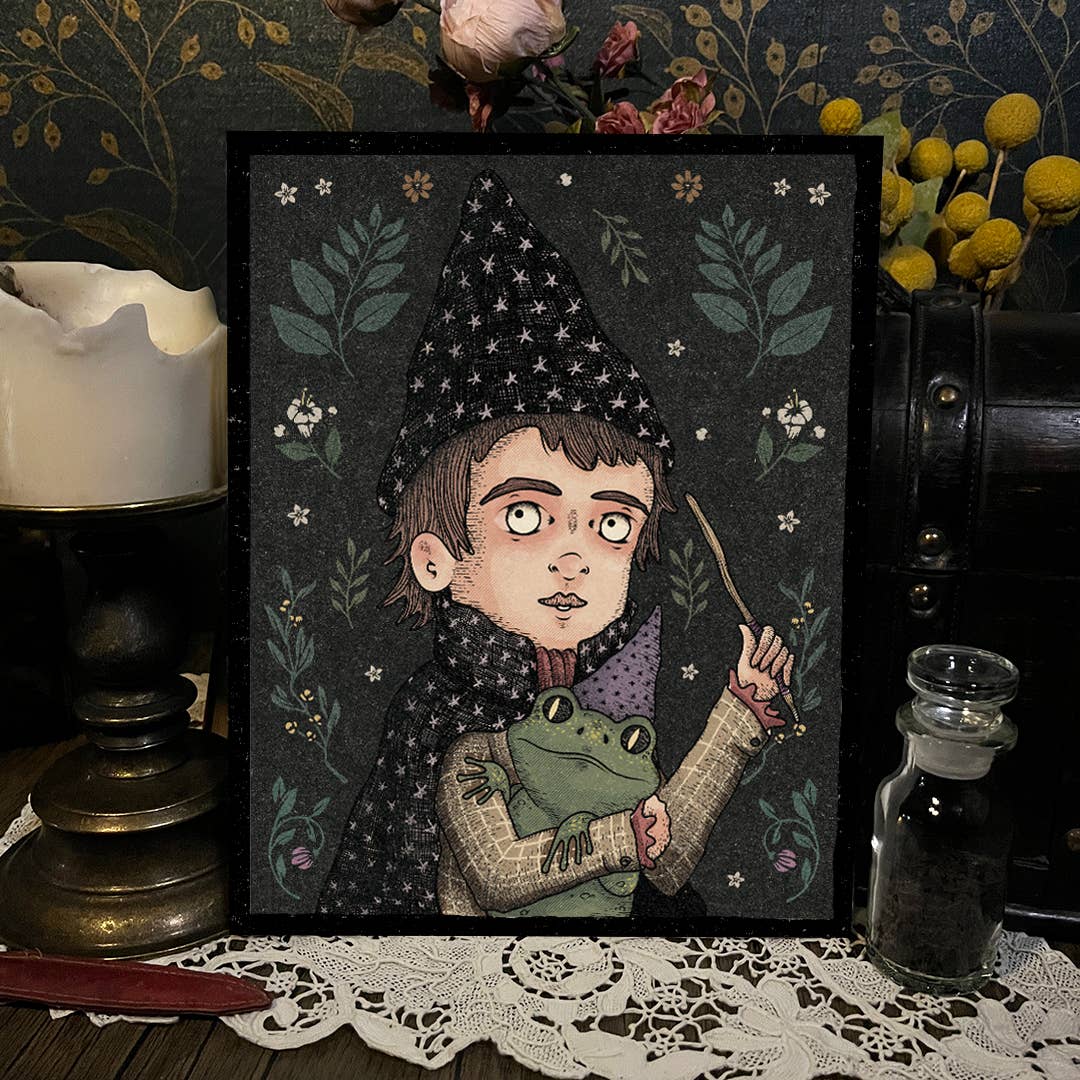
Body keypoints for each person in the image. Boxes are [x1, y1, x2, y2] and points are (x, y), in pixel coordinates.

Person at [317, 171, 791, 918]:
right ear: (435, 557)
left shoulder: (610, 702)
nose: (574, 558)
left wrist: (737, 719)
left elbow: (664, 863)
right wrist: (622, 838)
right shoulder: (451, 723)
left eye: (612, 524)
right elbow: (497, 874)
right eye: (526, 515)